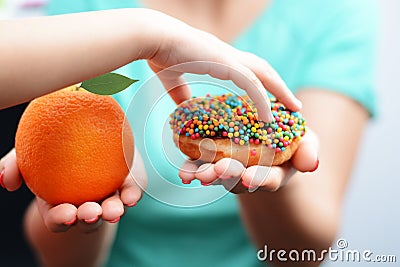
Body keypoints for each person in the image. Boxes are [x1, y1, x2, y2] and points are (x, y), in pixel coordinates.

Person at [1, 0, 377, 266]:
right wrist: (89, 217)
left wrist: (261, 180)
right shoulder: (86, 8)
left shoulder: (335, 11)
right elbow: (57, 255)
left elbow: (303, 255)